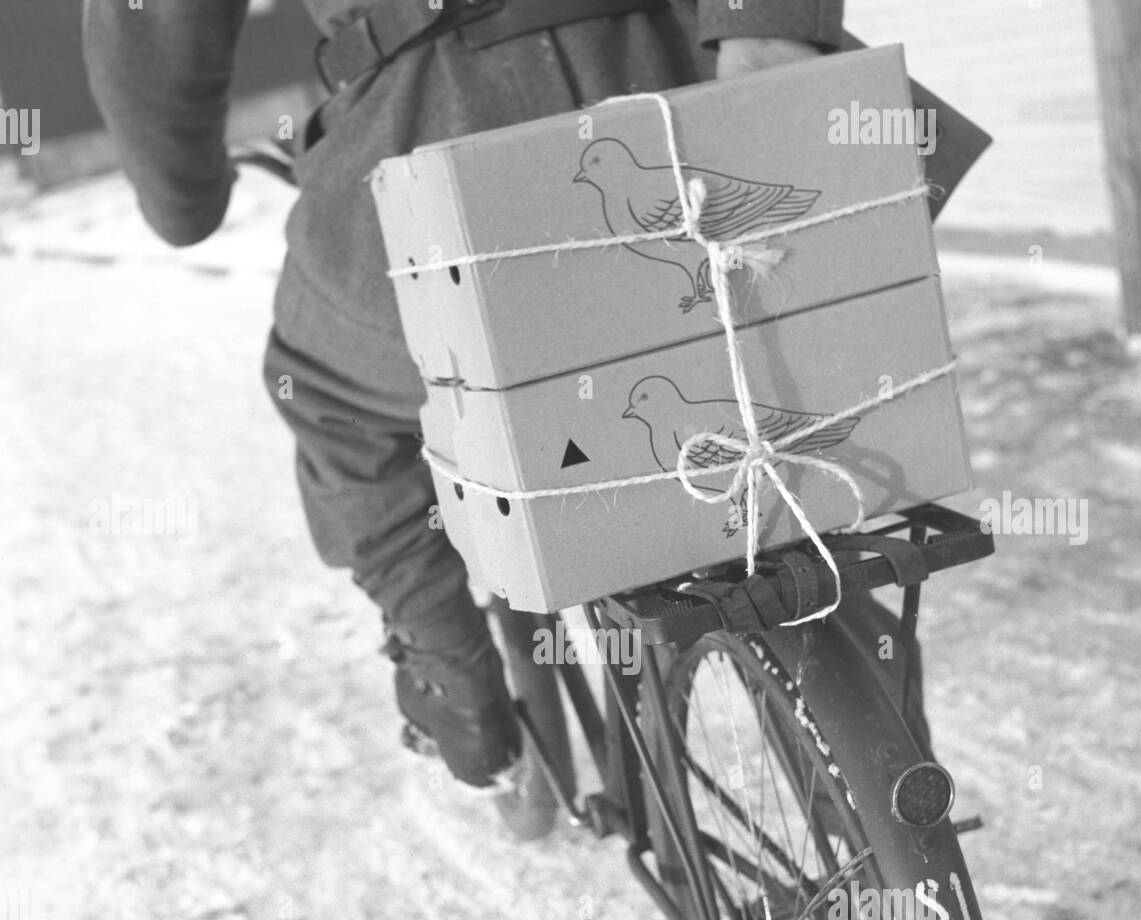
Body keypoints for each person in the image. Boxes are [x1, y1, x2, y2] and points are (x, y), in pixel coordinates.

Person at [84, 0, 930, 789]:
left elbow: (148, 33)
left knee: (328, 396)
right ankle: (875, 784)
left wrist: (182, 199)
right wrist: (766, 28)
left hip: (429, 150)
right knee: (780, 369)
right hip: (675, 97)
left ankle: (450, 669)